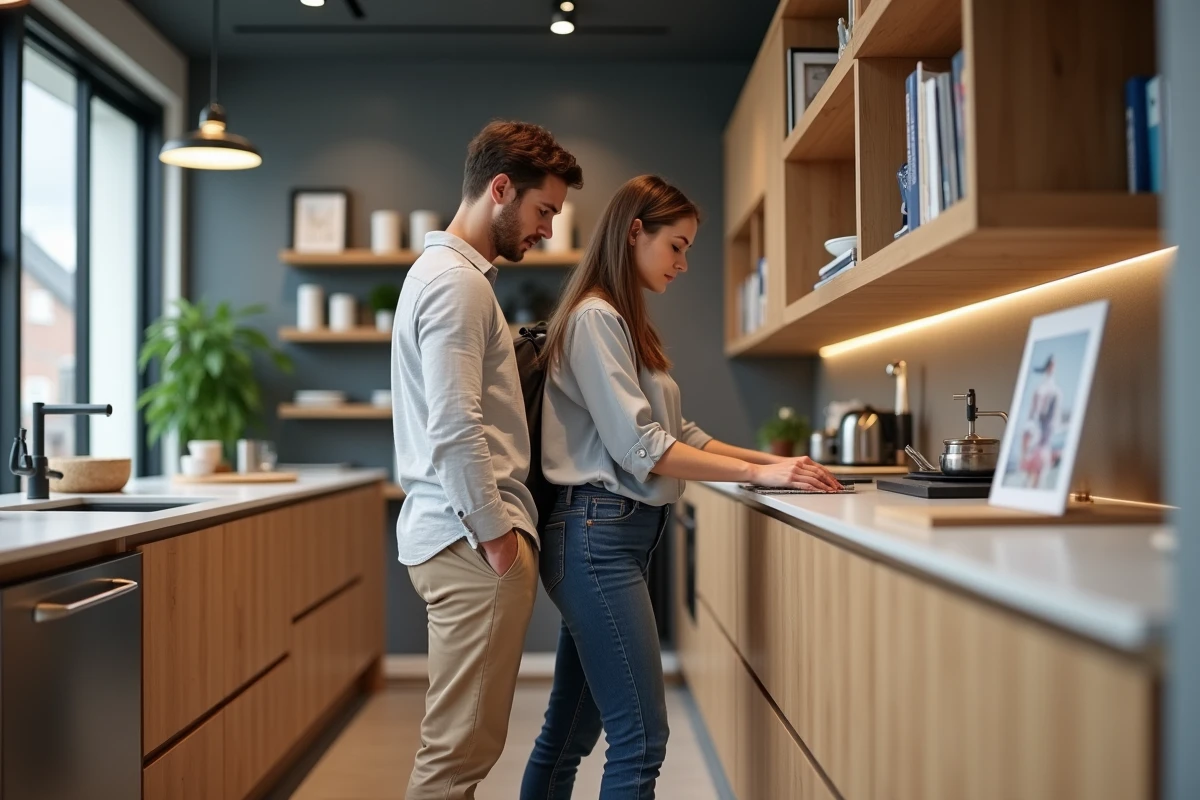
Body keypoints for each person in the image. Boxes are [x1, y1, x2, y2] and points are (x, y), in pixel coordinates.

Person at [520, 175, 842, 799]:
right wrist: (758, 472)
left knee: (569, 735)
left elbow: (681, 433)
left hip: (611, 541)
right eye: (677, 246)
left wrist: (782, 465)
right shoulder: (594, 319)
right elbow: (644, 448)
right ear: (635, 232)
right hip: (596, 541)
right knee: (641, 739)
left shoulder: (622, 320)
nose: (685, 263)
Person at [392, 120, 583, 800]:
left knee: (456, 748)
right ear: (500, 189)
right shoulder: (457, 285)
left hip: (453, 537)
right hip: (473, 544)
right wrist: (497, 536)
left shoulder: (440, 276)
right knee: (456, 758)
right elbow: (453, 422)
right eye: (542, 212)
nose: (546, 231)